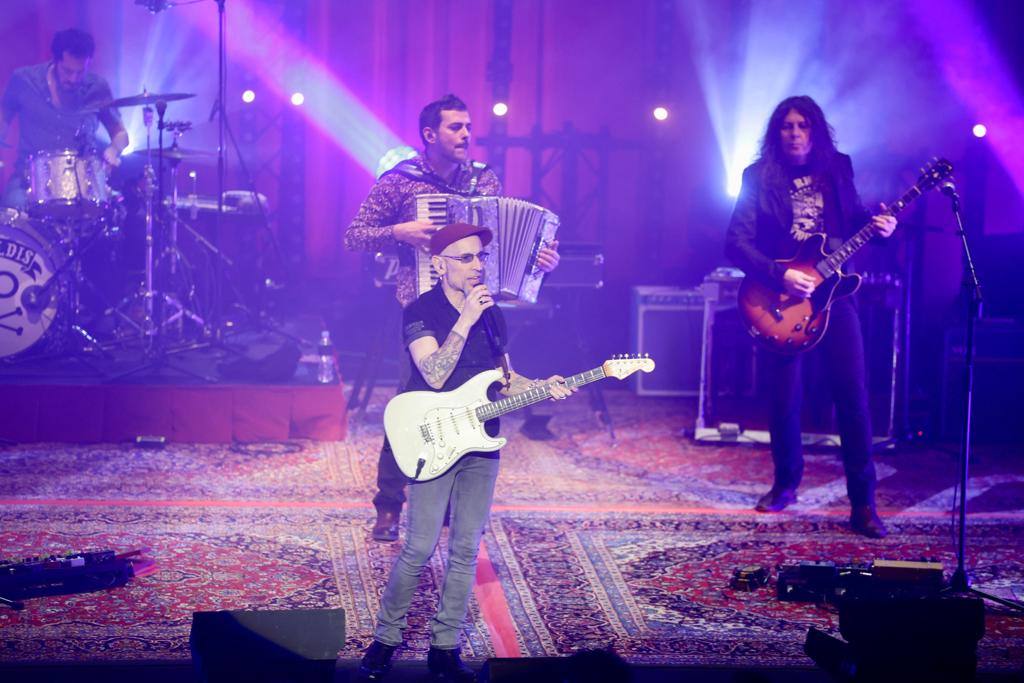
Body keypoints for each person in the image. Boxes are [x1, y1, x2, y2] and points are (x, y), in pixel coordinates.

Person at [356, 222, 574, 682]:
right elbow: (433, 374)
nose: (478, 267)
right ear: (440, 265)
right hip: (433, 437)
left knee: (465, 549)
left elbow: (505, 378)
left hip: (481, 439)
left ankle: (444, 647)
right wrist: (465, 319)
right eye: (466, 258)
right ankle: (385, 639)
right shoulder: (420, 310)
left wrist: (545, 386)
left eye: (481, 258)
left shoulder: (495, 315)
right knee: (417, 547)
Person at [345, 93, 560, 542]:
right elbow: (354, 236)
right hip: (422, 307)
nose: (466, 134)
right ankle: (388, 505)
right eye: (455, 127)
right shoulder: (400, 182)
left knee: (471, 407)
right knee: (413, 402)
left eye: (467, 126)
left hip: (475, 306)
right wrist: (397, 232)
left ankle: (449, 503)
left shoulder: (483, 180)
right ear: (429, 135)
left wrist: (535, 260)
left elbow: (498, 246)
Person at [724, 95, 896, 539]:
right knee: (784, 398)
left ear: (815, 131)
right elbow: (736, 243)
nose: (795, 133)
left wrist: (880, 229)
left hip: (836, 297)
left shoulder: (838, 168)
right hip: (782, 298)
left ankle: (864, 505)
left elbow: (854, 218)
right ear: (777, 133)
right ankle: (785, 486)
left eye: (803, 125)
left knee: (854, 399)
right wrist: (780, 275)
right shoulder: (758, 177)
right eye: (787, 126)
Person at [1, 28, 128, 209]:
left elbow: (121, 134)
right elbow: (3, 119)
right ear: (55, 60)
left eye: (80, 72)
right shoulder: (24, 80)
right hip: (28, 181)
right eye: (67, 71)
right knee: (12, 210)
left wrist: (114, 149)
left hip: (82, 185)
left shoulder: (98, 88)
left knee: (112, 213)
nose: (74, 79)